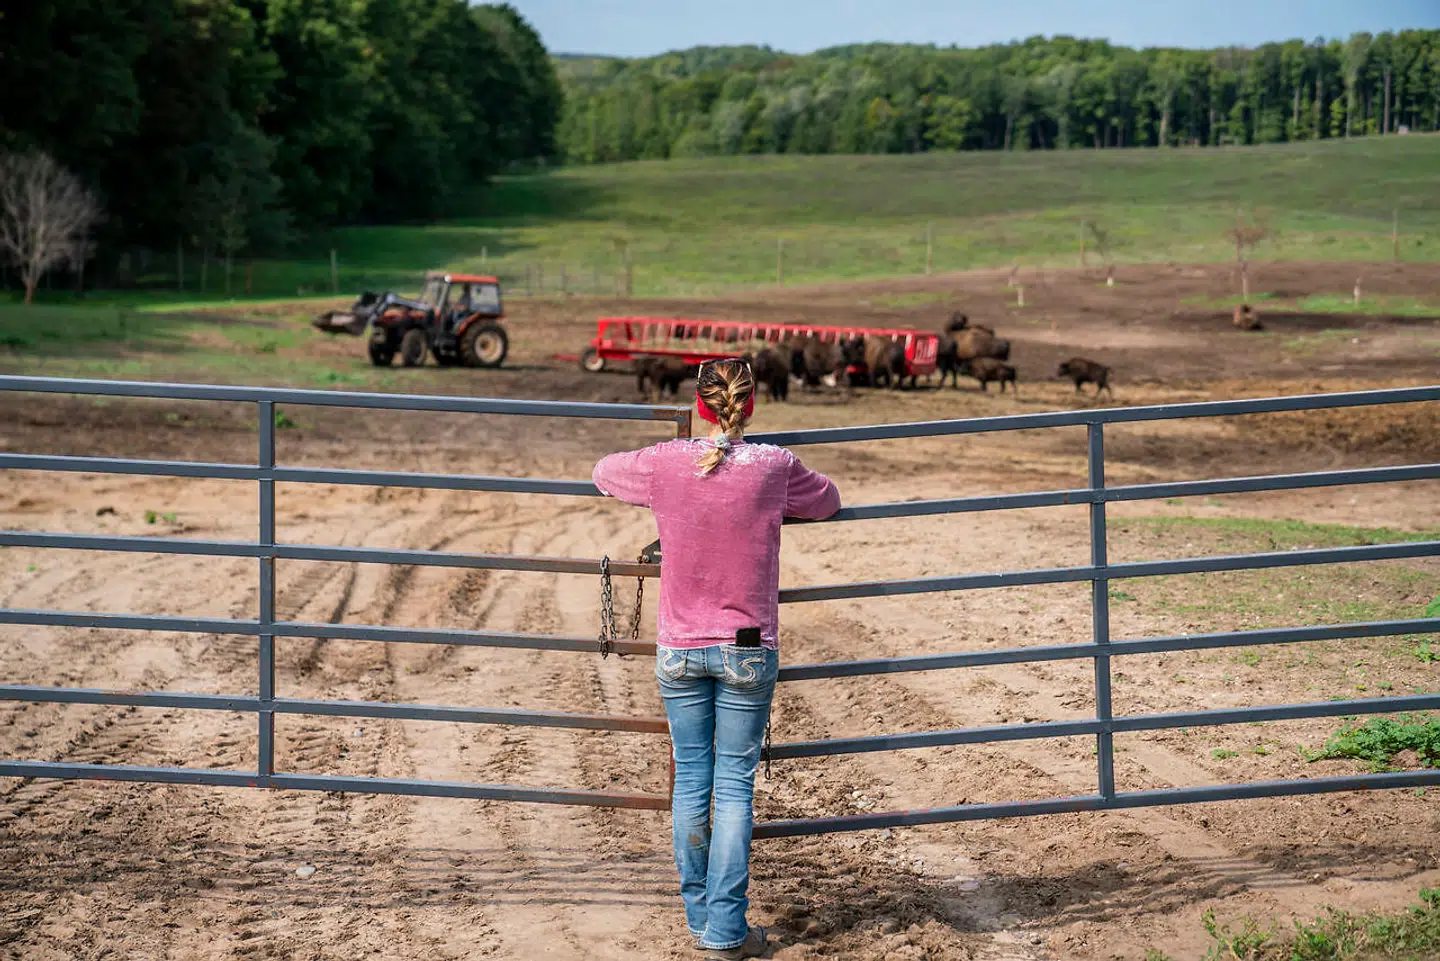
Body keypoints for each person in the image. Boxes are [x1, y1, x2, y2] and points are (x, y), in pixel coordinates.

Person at [593, 358, 841, 960]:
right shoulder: (773, 465)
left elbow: (602, 472)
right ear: (750, 405)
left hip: (680, 648)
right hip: (748, 649)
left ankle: (701, 916)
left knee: (691, 785)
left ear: (700, 405)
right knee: (734, 788)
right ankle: (727, 931)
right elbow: (828, 500)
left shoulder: (663, 462)